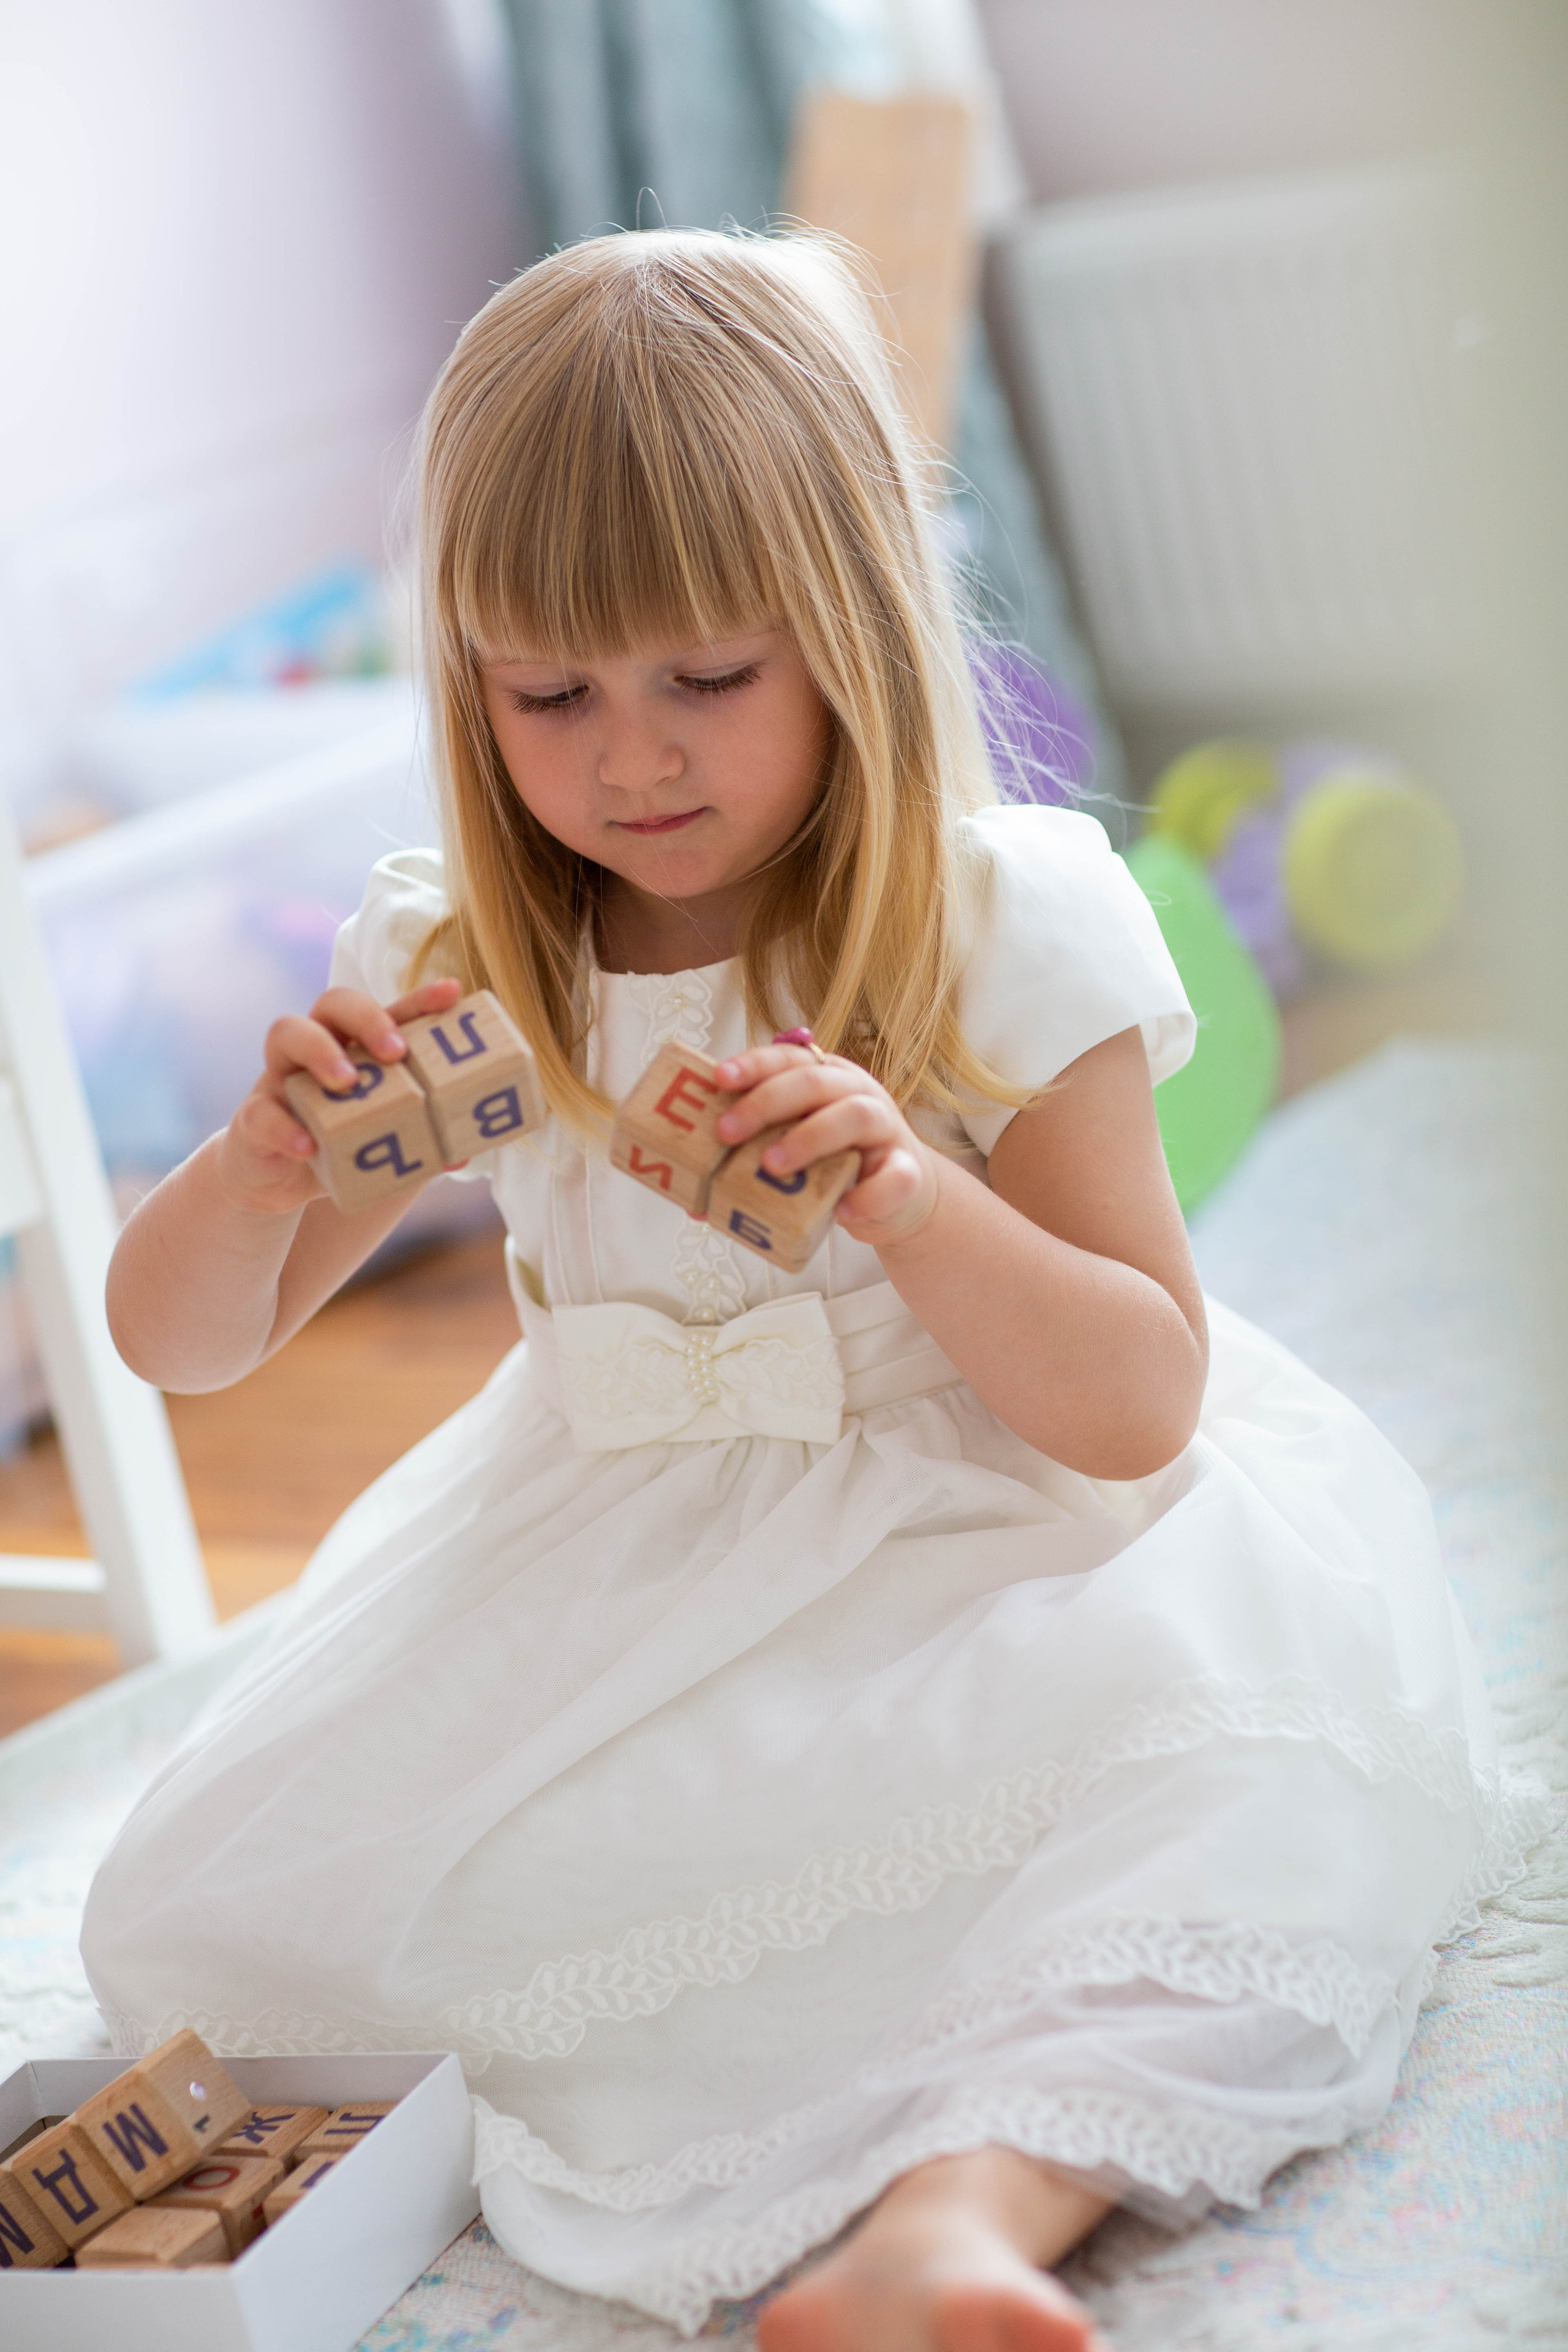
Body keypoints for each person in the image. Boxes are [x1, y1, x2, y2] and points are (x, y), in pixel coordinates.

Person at [82, 232, 1532, 2352]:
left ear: (846, 623)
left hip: (997, 1540)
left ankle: (958, 2219)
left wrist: (909, 1204)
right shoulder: (461, 964)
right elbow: (179, 1343)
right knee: (229, 1906)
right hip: (608, 1580)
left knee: (1225, 1803)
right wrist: (257, 1166)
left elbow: (1140, 1397)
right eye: (551, 695)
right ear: (469, 684)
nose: (631, 763)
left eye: (708, 678)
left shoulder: (992, 924)